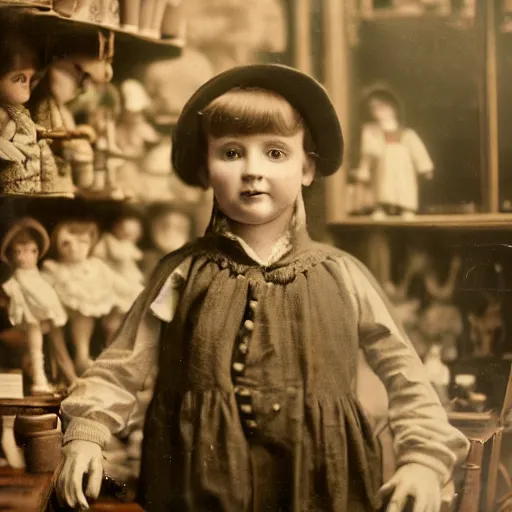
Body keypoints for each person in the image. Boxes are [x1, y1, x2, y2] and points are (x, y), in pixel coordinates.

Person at [56, 64, 469, 511]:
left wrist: (424, 459)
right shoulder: (180, 273)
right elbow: (120, 365)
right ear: (205, 169)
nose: (252, 170)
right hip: (197, 484)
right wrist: (86, 435)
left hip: (321, 484)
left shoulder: (343, 274)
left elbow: (406, 373)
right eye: (231, 153)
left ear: (307, 168)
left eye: (275, 153)